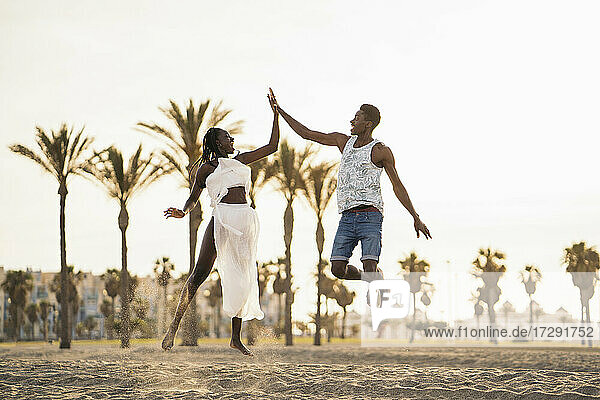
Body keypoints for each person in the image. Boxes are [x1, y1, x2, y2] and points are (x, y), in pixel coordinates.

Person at [161, 90, 279, 355]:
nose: (232, 138)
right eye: (227, 137)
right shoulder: (205, 169)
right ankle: (173, 328)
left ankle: (236, 338)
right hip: (221, 219)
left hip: (245, 219)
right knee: (198, 275)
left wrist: (275, 114)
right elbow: (193, 198)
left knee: (243, 276)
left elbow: (272, 147)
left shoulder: (241, 159)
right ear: (216, 143)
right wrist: (183, 211)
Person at [270, 91, 431, 283]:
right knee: (337, 269)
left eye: (357, 118)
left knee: (370, 265)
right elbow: (308, 134)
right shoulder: (343, 141)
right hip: (347, 216)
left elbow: (397, 185)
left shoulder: (381, 151)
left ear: (368, 124)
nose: (351, 121)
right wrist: (280, 111)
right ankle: (369, 278)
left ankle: (373, 276)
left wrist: (415, 217)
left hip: (371, 214)